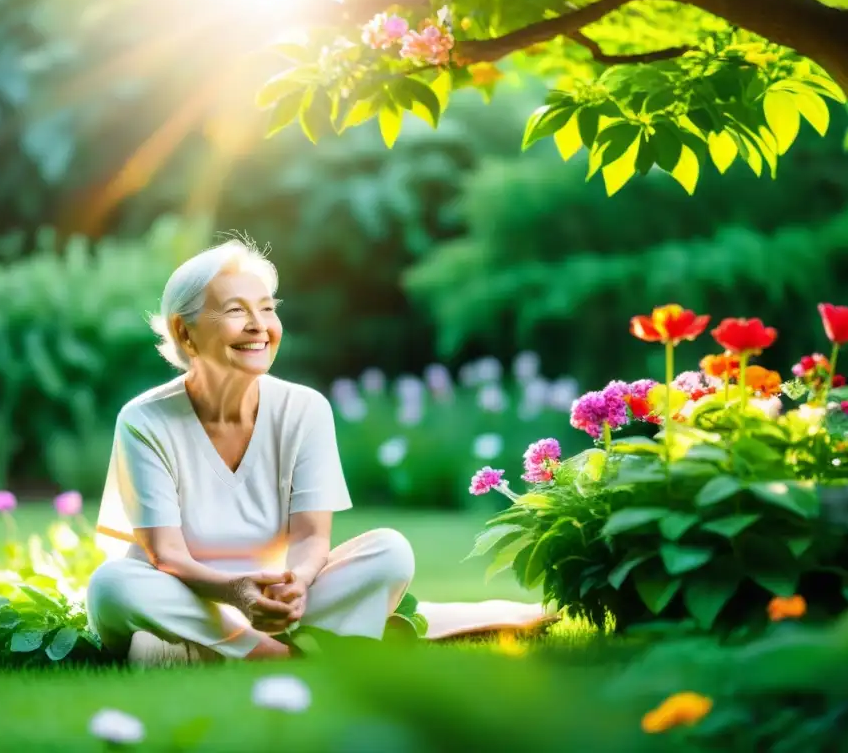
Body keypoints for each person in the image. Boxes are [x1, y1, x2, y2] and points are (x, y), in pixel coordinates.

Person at [87, 234, 555, 667]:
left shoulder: (305, 408)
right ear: (185, 334)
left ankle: (240, 648)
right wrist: (237, 592)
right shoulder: (144, 419)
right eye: (235, 311)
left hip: (272, 605)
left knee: (391, 551)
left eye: (267, 309)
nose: (259, 326)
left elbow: (312, 539)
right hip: (184, 602)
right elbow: (164, 555)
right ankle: (272, 653)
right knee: (111, 585)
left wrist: (297, 583)